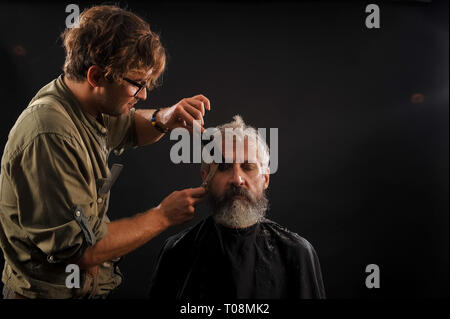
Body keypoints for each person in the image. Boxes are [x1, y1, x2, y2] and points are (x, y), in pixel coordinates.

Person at [0, 5, 211, 299]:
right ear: (96, 76)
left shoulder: (85, 102)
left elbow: (127, 128)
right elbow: (81, 252)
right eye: (137, 84)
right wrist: (163, 216)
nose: (144, 95)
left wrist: (165, 118)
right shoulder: (50, 134)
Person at [148, 115, 326, 299]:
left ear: (265, 179)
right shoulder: (178, 251)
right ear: (206, 178)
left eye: (247, 167)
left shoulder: (297, 253)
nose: (237, 179)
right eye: (223, 167)